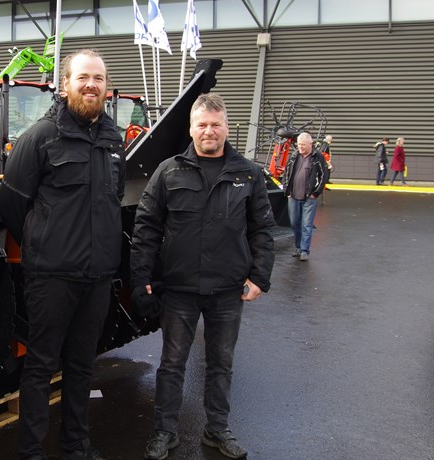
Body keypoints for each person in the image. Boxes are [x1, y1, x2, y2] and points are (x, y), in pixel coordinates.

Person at [129, 93, 275, 460]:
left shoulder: (248, 173)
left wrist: (260, 276)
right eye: (202, 125)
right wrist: (141, 277)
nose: (209, 131)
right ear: (191, 128)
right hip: (179, 289)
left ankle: (217, 429)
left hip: (228, 290)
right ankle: (165, 431)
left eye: (216, 124)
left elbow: (262, 229)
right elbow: (146, 227)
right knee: (172, 364)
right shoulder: (169, 171)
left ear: (227, 127)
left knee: (221, 363)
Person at [0, 49, 125, 460]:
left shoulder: (113, 139)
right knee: (40, 366)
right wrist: (45, 243)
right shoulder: (41, 136)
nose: (92, 85)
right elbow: (13, 204)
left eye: (99, 79)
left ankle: (76, 447)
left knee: (81, 365)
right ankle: (31, 453)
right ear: (65, 83)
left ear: (106, 88)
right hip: (52, 276)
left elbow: (113, 199)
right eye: (83, 77)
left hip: (98, 276)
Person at [282, 132, 330, 262]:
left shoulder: (318, 157)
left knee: (306, 224)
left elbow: (324, 175)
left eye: (303, 145)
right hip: (293, 196)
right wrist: (287, 190)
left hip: (309, 197)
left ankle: (304, 250)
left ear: (310, 144)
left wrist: (316, 193)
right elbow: (286, 172)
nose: (300, 147)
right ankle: (298, 247)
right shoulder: (293, 156)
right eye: (299, 144)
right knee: (294, 223)